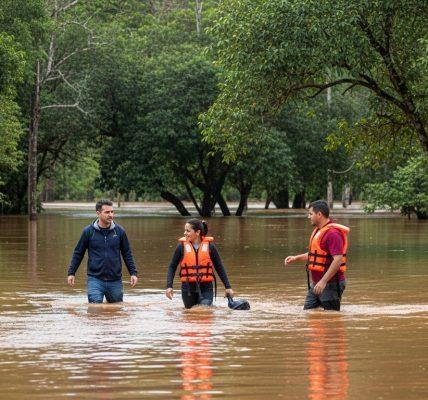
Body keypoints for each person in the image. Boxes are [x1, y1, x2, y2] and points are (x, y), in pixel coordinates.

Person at [67, 199, 139, 303]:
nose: (111, 215)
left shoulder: (119, 231)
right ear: (98, 213)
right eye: (107, 212)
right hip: (95, 279)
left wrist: (133, 273)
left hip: (115, 280)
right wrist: (71, 272)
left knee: (116, 310)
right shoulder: (88, 232)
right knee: (95, 309)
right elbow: (78, 253)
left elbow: (127, 253)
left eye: (112, 212)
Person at [284, 200, 349, 311]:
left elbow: (337, 260)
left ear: (319, 214)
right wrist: (296, 258)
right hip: (317, 284)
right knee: (308, 313)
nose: (308, 217)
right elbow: (315, 255)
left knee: (331, 319)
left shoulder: (333, 234)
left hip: (330, 284)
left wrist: (323, 282)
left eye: (310, 214)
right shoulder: (319, 231)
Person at [166, 219, 234, 309]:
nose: (185, 233)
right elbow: (172, 267)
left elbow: (219, 267)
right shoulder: (181, 247)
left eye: (188, 231)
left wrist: (228, 287)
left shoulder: (210, 246)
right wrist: (169, 286)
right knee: (191, 315)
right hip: (188, 288)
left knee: (204, 309)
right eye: (185, 230)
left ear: (197, 232)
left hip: (206, 287)